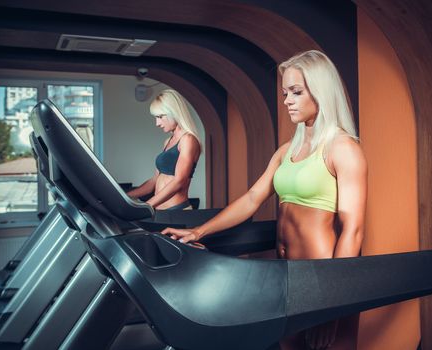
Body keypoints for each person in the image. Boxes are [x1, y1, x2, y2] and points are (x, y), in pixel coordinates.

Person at [162, 50, 367, 350]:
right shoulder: (287, 151)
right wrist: (198, 231)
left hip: (323, 278)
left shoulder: (343, 149)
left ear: (321, 91)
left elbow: (353, 231)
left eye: (296, 92)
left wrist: (331, 305)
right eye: (286, 93)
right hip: (284, 275)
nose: (287, 101)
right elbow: (252, 198)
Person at [127, 89, 201, 210]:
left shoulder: (188, 139)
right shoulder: (168, 142)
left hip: (176, 210)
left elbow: (179, 181)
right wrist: (126, 196)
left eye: (160, 117)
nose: (157, 123)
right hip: (159, 211)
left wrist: (148, 205)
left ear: (174, 113)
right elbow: (154, 181)